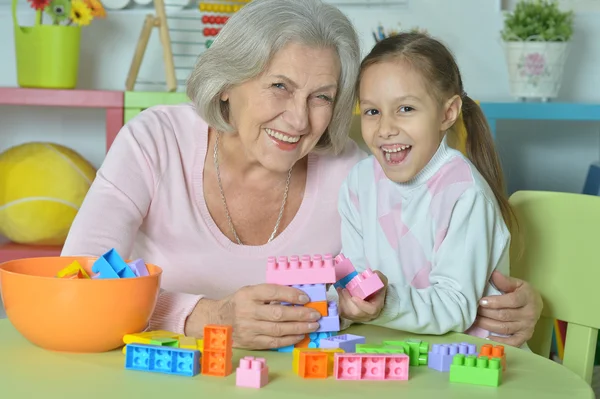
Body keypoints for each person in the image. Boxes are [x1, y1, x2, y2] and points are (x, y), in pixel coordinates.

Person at [61, 0, 542, 350]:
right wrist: (208, 316)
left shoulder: (358, 174)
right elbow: (78, 277)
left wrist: (502, 305)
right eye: (279, 86)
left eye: (322, 96)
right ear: (228, 84)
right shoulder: (155, 140)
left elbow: (419, 266)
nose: (298, 119)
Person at [335, 31, 531, 343]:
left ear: (447, 113)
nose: (385, 128)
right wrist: (345, 304)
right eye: (373, 111)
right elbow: (355, 282)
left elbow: (455, 307)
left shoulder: (465, 194)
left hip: (471, 360)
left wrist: (382, 304)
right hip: (396, 350)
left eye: (406, 109)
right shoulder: (358, 184)